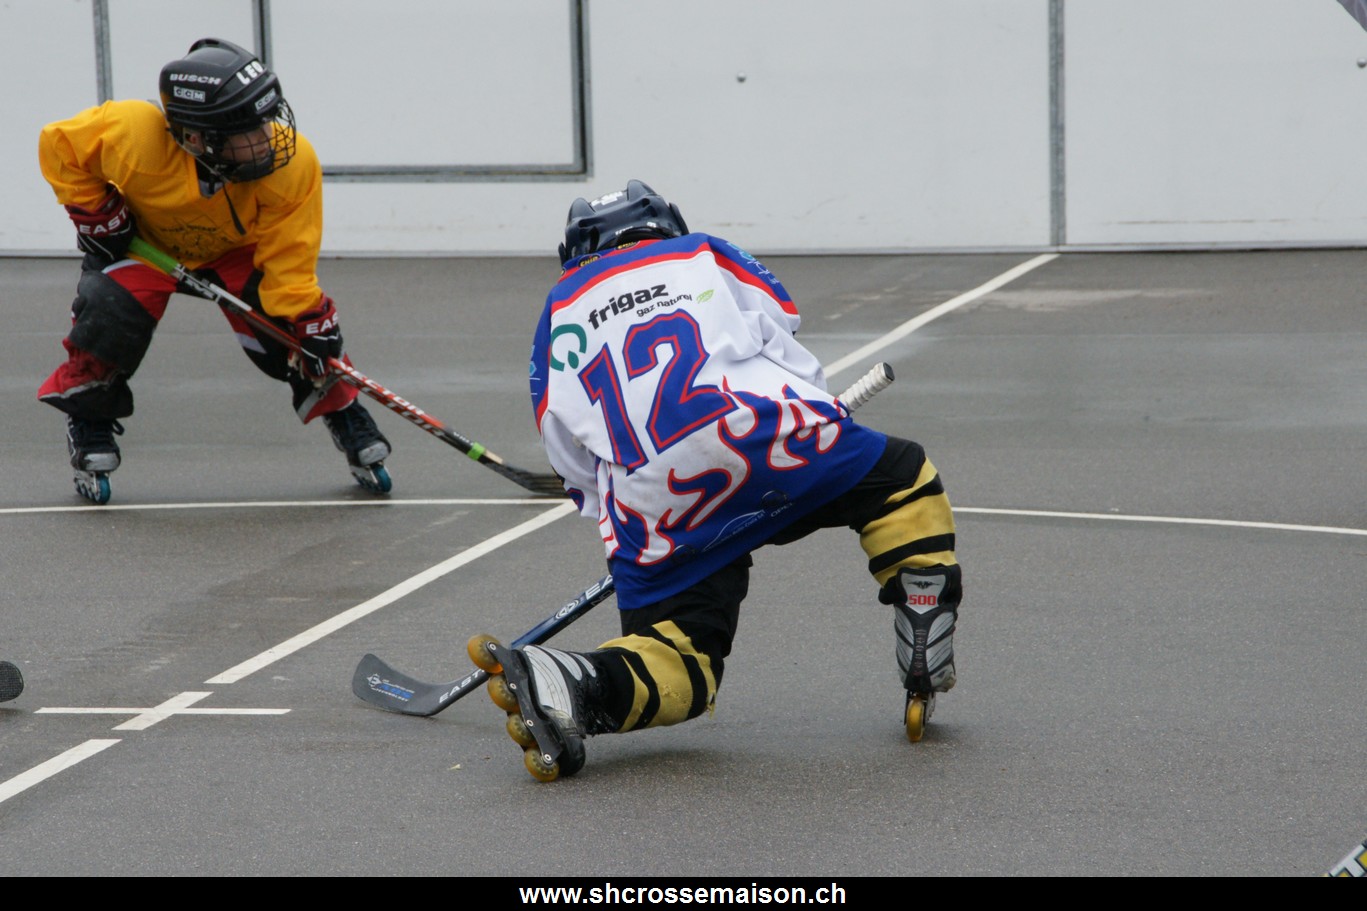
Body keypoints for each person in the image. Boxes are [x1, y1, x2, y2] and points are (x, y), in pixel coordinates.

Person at [470, 180, 962, 782]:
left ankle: (568, 684)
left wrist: (618, 516)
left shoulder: (559, 308)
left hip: (658, 496)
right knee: (903, 482)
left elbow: (561, 438)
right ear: (666, 223)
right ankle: (922, 597)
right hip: (762, 432)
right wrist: (812, 412)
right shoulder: (704, 251)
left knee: (678, 656)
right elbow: (779, 325)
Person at [36, 37, 391, 504]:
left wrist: (308, 317)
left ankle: (342, 410)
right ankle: (89, 421)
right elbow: (59, 144)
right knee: (107, 313)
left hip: (234, 253)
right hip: (145, 247)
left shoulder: (292, 164)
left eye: (266, 121)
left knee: (298, 330)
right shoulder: (132, 132)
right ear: (196, 138)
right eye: (248, 132)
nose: (267, 139)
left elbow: (290, 259)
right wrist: (95, 211)